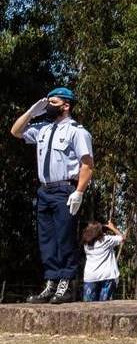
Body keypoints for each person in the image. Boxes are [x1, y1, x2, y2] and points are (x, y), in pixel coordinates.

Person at [8, 87, 93, 305]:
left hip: (65, 189)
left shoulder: (77, 131)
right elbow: (16, 132)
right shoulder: (43, 129)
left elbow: (87, 165)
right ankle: (51, 283)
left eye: (52, 102)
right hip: (44, 190)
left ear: (66, 105)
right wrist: (30, 112)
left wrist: (79, 192)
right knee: (47, 240)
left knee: (64, 238)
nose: (48, 106)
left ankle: (65, 284)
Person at [82, 221, 125, 301]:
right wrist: (112, 228)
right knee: (103, 305)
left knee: (88, 306)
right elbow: (122, 238)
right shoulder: (106, 240)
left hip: (90, 277)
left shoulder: (86, 243)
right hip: (107, 276)